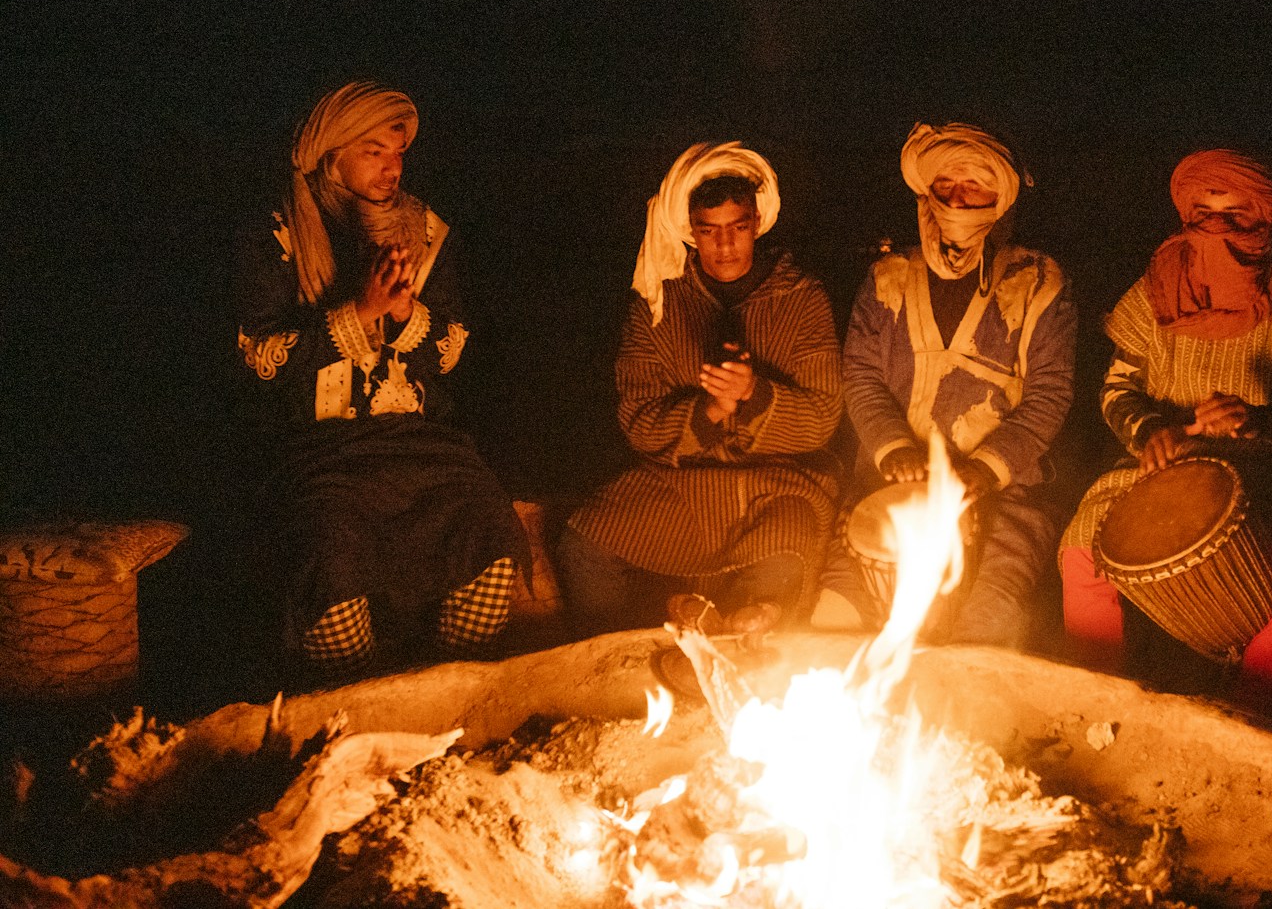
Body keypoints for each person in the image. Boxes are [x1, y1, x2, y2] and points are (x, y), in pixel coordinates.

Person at [1058, 149, 1272, 712]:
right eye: (1205, 213)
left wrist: (1264, 421)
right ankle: (1093, 704)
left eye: (1238, 215)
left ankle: (1251, 715)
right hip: (1164, 464)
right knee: (1081, 550)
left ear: (1268, 221)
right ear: (1184, 215)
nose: (1220, 230)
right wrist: (1149, 429)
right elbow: (1116, 391)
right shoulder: (1154, 294)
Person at [235, 80, 527, 678]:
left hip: (424, 446)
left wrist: (403, 316)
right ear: (329, 154)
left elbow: (449, 352)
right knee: (330, 552)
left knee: (486, 529)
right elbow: (262, 360)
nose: (392, 168)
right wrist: (360, 312)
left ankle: (451, 686)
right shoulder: (277, 238)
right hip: (322, 451)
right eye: (374, 151)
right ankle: (358, 693)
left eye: (399, 154)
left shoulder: (427, 233)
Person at [557, 142, 843, 635]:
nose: (725, 246)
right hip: (679, 486)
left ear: (757, 223)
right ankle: (629, 660)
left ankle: (745, 646)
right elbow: (638, 421)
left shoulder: (802, 297)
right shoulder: (658, 302)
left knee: (783, 559)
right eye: (709, 232)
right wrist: (708, 410)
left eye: (737, 228)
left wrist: (755, 395)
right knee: (583, 543)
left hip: (774, 487)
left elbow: (821, 418)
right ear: (690, 234)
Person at [813, 122, 1076, 648]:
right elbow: (861, 374)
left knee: (985, 634)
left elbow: (1050, 393)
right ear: (927, 193)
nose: (958, 199)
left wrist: (984, 468)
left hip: (1009, 491)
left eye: (974, 187)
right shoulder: (887, 277)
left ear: (1001, 198)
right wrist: (892, 449)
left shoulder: (1040, 283)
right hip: (890, 483)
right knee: (831, 624)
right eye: (946, 187)